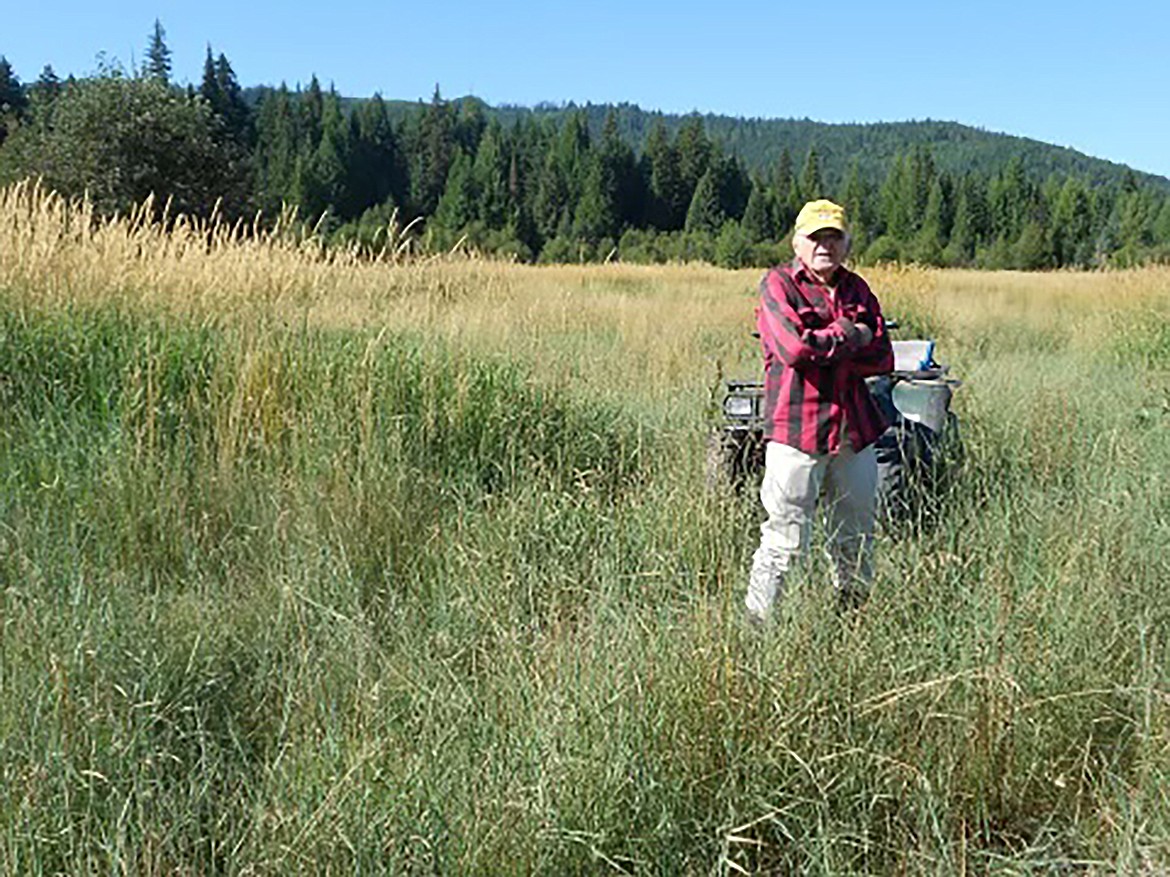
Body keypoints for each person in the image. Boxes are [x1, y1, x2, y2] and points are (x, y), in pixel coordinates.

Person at [744, 199, 894, 622]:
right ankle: (758, 626)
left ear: (847, 244)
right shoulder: (778, 285)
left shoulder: (857, 288)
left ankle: (853, 620)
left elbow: (882, 356)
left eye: (834, 237)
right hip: (798, 431)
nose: (825, 245)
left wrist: (822, 343)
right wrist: (850, 333)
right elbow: (794, 349)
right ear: (797, 243)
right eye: (815, 237)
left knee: (856, 535)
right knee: (784, 539)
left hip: (854, 432)